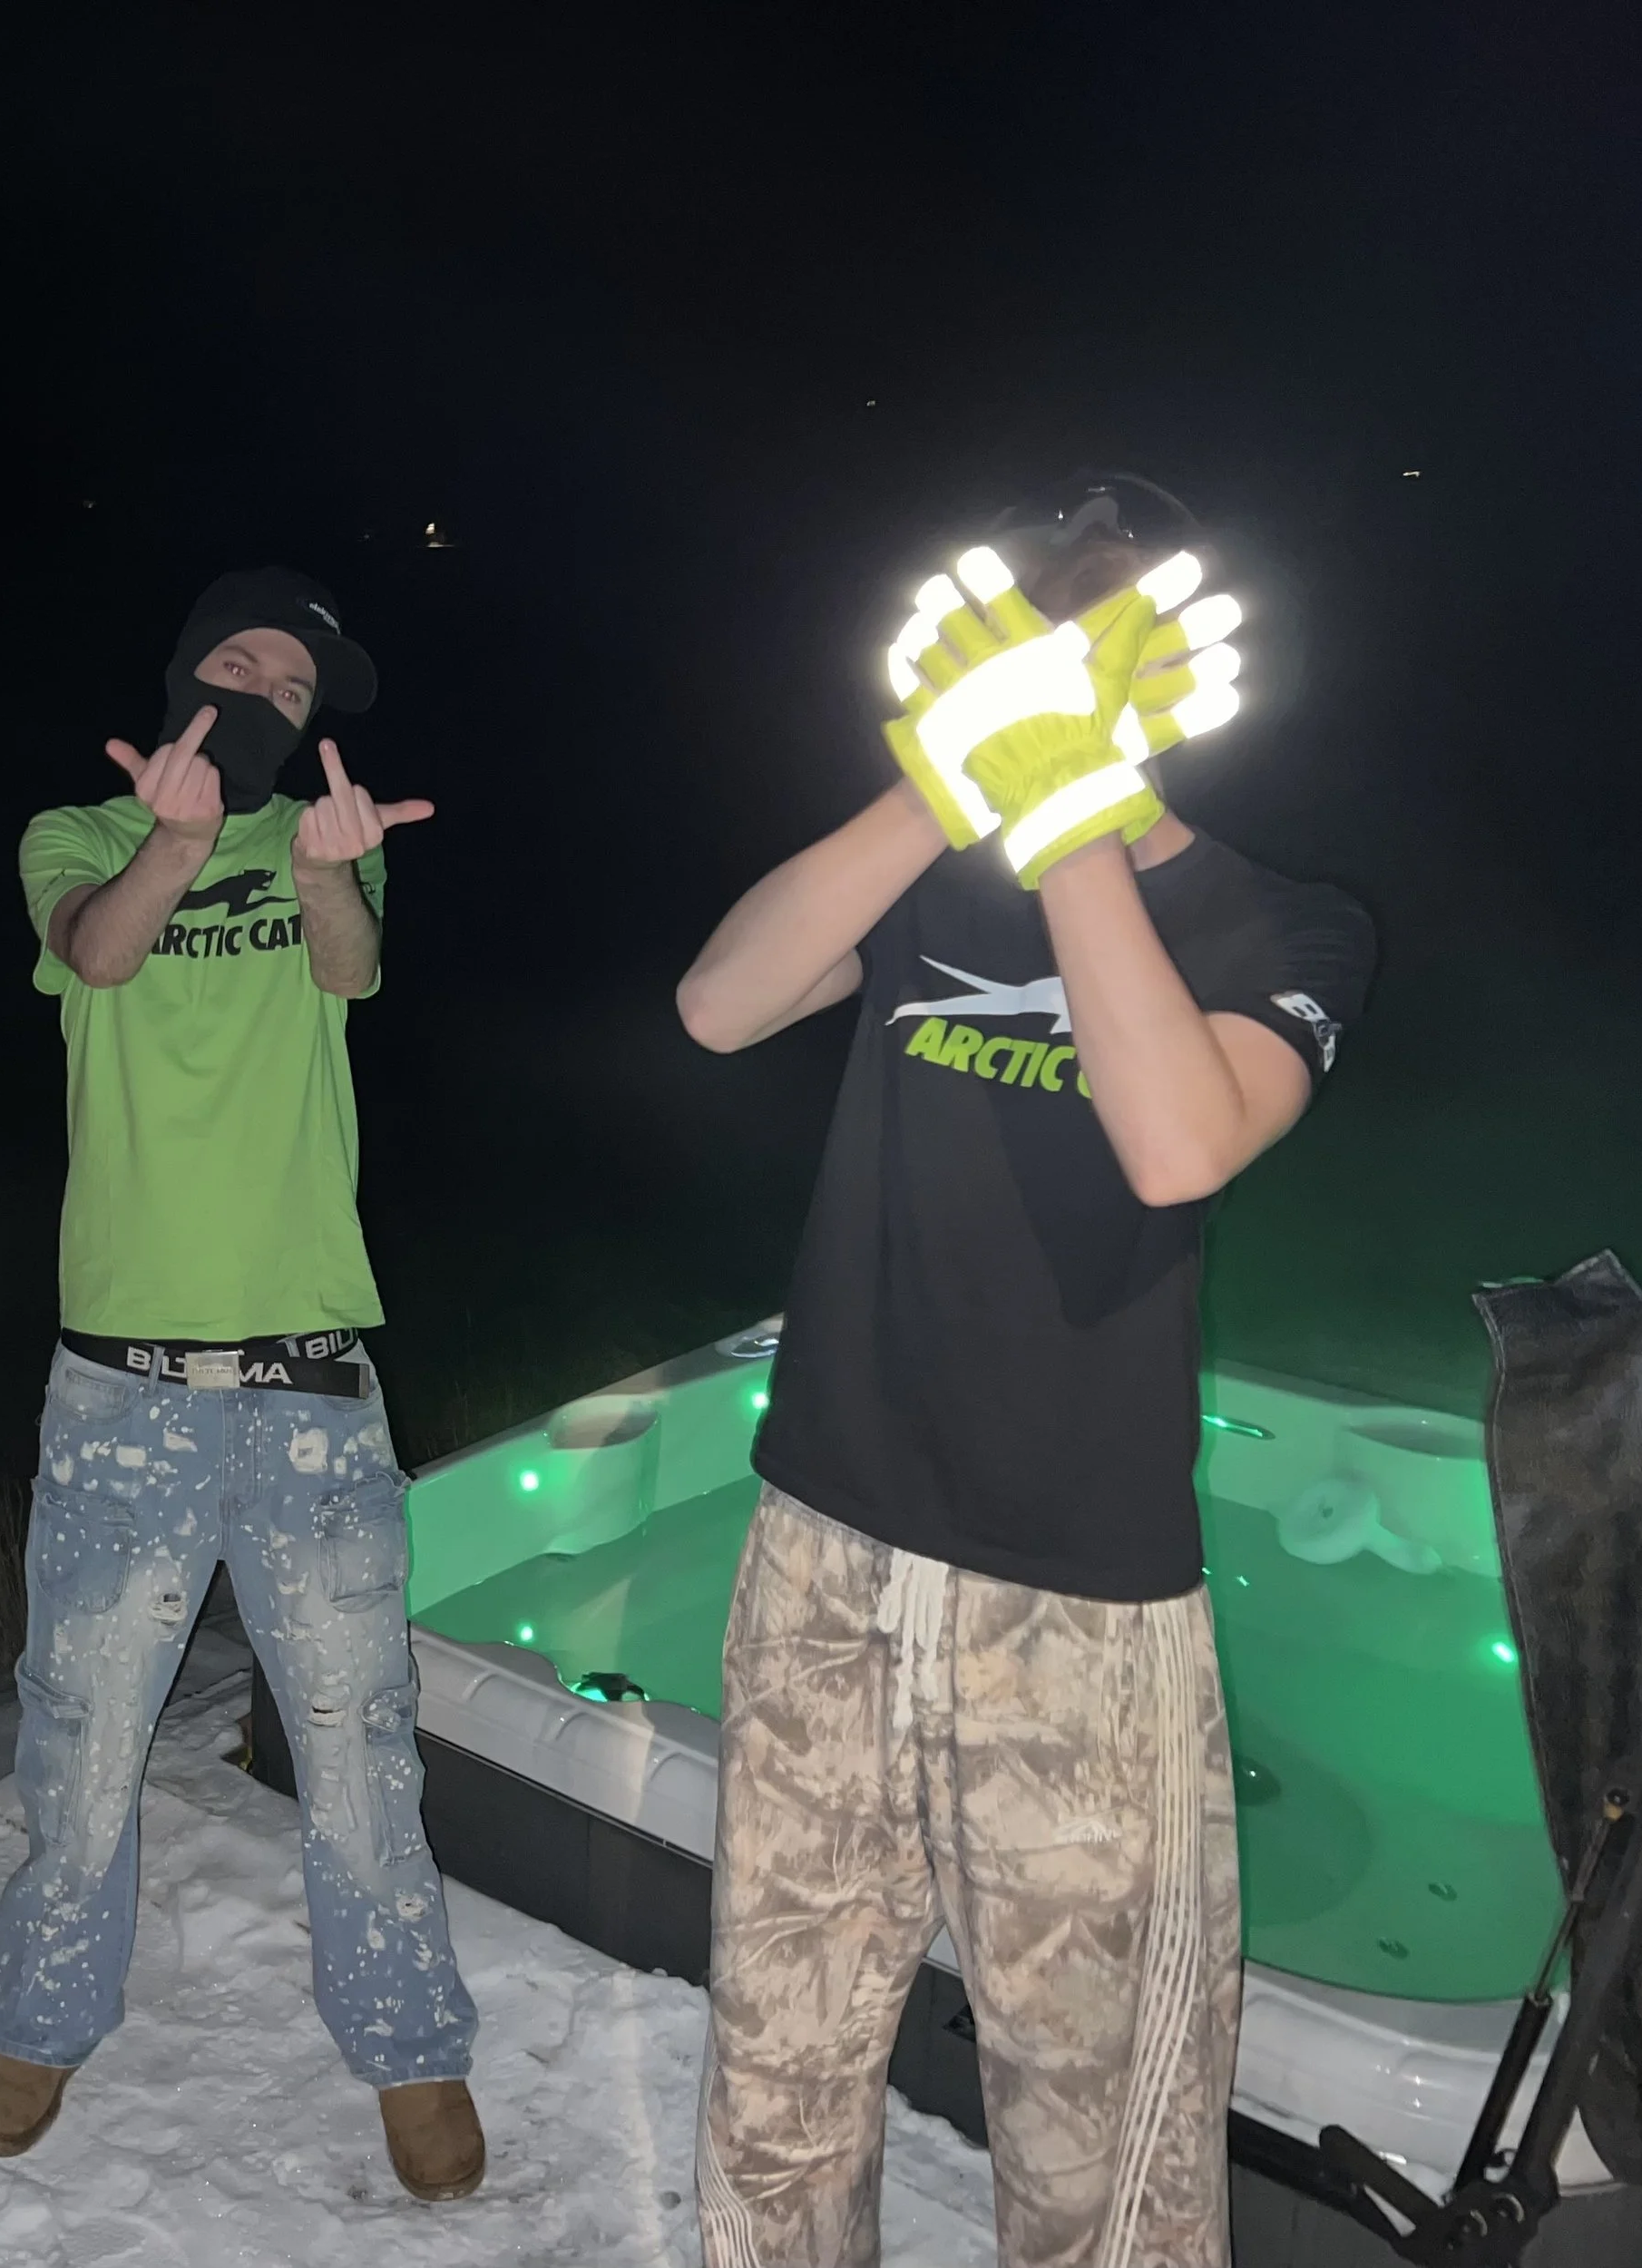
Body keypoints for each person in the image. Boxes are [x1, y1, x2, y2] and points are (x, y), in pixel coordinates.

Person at [677, 476, 1375, 2267]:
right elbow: (720, 1001)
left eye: (1113, 654)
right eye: (1052, 646)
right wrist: (938, 779)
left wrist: (1065, 810)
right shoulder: (927, 884)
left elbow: (1173, 1146)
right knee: (777, 2076)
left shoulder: (1285, 924)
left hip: (1075, 1596)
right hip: (825, 1543)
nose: (1079, 678)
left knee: (1098, 2143)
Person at [0, 567, 485, 2203]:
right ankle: (42, 2015)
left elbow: (349, 977)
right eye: (244, 663)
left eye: (297, 689)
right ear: (188, 671)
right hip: (119, 1384)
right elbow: (97, 960)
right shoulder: (76, 832)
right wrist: (172, 841)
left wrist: (334, 870)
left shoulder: (324, 838)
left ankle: (406, 2043)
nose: (269, 695)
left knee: (358, 1735)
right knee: (84, 1730)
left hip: (311, 1379)